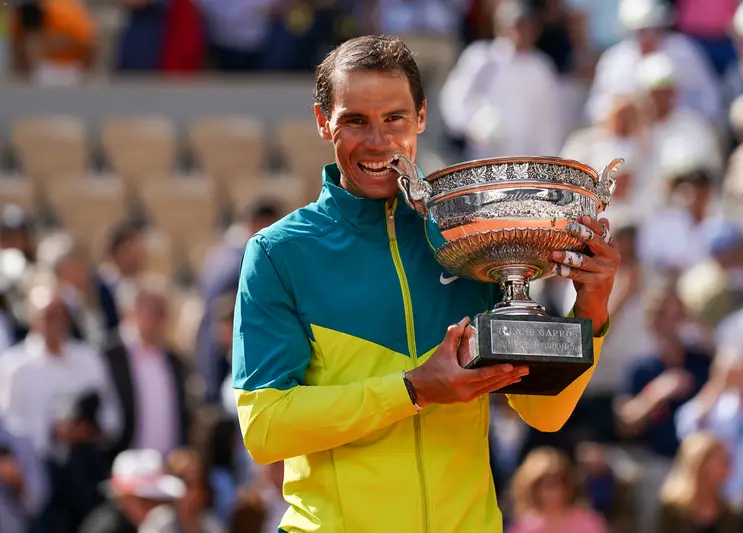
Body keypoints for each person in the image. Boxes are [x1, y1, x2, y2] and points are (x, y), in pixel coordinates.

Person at [231, 35, 619, 533]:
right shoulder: (279, 253)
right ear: (323, 121)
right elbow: (266, 428)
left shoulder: (469, 238)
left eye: (394, 118)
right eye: (355, 120)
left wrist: (590, 308)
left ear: (421, 117)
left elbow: (544, 412)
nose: (377, 141)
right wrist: (412, 389)